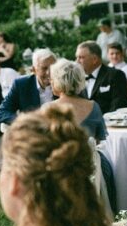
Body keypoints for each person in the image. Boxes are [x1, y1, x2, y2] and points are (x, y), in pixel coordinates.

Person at [50, 59, 117, 212]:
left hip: (60, 167)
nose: (50, 81)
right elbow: (99, 139)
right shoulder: (93, 106)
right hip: (90, 166)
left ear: (59, 81)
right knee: (107, 168)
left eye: (52, 78)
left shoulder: (48, 109)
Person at [0, 48, 57, 125]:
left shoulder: (63, 83)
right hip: (33, 131)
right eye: (44, 68)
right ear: (34, 70)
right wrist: (24, 121)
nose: (49, 72)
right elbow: (1, 112)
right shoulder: (21, 85)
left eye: (53, 67)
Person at [75, 41, 127, 114]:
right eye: (77, 57)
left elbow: (119, 106)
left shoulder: (116, 75)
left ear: (94, 59)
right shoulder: (78, 78)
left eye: (81, 57)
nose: (77, 61)